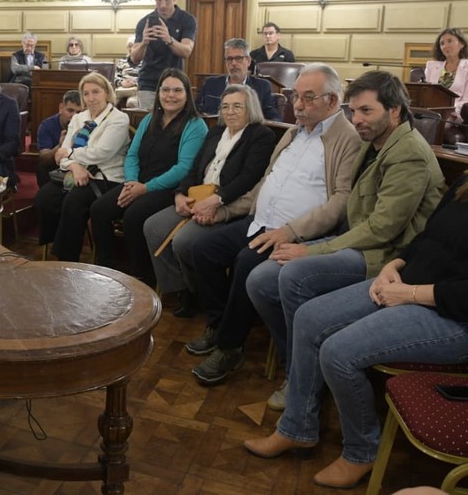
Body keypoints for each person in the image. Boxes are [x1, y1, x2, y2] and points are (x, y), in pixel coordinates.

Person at [243, 172, 468, 490]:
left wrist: (411, 294)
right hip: (409, 284)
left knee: (339, 352)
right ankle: (297, 429)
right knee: (309, 316)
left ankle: (362, 451)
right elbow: (426, 238)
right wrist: (396, 265)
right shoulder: (463, 182)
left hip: (452, 317)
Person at [246, 70, 445, 411]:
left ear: (394, 110)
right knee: (260, 279)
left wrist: (312, 248)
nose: (357, 119)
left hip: (387, 256)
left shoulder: (409, 152)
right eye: (353, 111)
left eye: (366, 111)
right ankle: (298, 363)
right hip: (357, 241)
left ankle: (301, 379)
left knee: (296, 273)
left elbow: (383, 229)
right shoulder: (371, 142)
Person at [186, 63, 362, 385]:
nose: (298, 105)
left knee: (245, 262)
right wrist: (222, 211)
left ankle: (230, 346)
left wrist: (291, 232)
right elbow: (262, 187)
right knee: (204, 249)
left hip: (297, 233)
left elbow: (341, 201)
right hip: (260, 222)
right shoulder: (294, 133)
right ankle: (220, 323)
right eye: (296, 97)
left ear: (333, 101)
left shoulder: (346, 139)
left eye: (309, 98)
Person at [143, 84, 275, 318]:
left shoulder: (261, 136)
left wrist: (217, 199)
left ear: (250, 108)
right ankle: (182, 288)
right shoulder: (216, 132)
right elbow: (194, 168)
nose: (230, 112)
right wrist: (180, 194)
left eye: (237, 106)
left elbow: (249, 177)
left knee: (184, 242)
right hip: (196, 196)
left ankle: (202, 294)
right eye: (225, 106)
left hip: (227, 204)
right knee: (153, 227)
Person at [90, 69, 207, 283]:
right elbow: (132, 155)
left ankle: (142, 277)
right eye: (166, 90)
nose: (170, 95)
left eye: (177, 90)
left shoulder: (195, 125)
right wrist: (132, 182)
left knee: (134, 216)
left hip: (169, 188)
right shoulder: (150, 119)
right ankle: (105, 270)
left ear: (187, 94)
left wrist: (145, 188)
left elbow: (184, 168)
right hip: (138, 183)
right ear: (159, 93)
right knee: (100, 209)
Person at [34, 72, 130, 262]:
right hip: (75, 174)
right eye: (86, 93)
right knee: (44, 197)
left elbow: (101, 153)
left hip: (106, 177)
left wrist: (69, 154)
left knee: (74, 201)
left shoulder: (119, 118)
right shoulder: (79, 118)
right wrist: (75, 166)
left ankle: (67, 259)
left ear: (107, 93)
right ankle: (50, 246)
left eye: (96, 92)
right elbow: (61, 156)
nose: (91, 98)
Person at [131, 0, 197, 110]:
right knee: (150, 125)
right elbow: (134, 59)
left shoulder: (187, 20)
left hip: (174, 83)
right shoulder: (144, 22)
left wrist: (169, 39)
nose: (162, 5)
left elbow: (186, 51)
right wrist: (144, 43)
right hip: (148, 84)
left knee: (174, 124)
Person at [196, 38, 278, 120]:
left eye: (238, 58)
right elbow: (196, 112)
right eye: (229, 59)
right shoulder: (211, 84)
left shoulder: (262, 86)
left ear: (248, 61)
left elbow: (273, 118)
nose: (233, 63)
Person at [36, 90, 82, 187]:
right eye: (70, 111)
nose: (74, 116)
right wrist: (60, 146)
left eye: (79, 112)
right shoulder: (47, 125)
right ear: (61, 108)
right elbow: (44, 158)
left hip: (81, 164)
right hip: (56, 165)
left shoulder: (88, 125)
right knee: (42, 167)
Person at [424, 27, 468, 115]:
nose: (445, 46)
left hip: (455, 113)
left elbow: (466, 100)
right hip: (430, 110)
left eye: (450, 41)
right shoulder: (431, 66)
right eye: (442, 43)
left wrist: (447, 110)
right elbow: (426, 94)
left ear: (461, 44)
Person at [115, 35, 140, 107]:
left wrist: (134, 83)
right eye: (129, 46)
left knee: (131, 103)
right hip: (122, 88)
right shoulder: (122, 61)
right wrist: (121, 82)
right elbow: (115, 77)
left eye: (134, 46)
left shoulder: (144, 61)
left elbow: (145, 77)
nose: (131, 48)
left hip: (135, 89)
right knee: (110, 102)